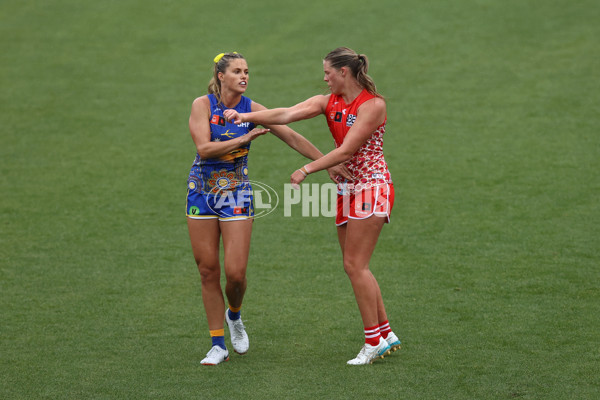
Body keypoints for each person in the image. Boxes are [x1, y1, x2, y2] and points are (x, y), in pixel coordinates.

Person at [224, 47, 401, 365]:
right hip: (348, 189)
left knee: (355, 266)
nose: (324, 78)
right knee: (355, 266)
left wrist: (308, 168)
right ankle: (385, 333)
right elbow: (286, 114)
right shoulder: (327, 102)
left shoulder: (373, 106)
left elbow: (347, 150)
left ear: (343, 73)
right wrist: (245, 116)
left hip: (372, 187)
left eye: (328, 73)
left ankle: (372, 341)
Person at [187, 52, 349, 365]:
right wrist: (245, 138)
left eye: (246, 71)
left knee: (235, 274)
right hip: (201, 194)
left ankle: (234, 314)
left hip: (236, 195)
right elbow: (204, 149)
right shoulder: (202, 105)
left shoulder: (254, 109)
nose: (244, 76)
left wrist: (325, 164)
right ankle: (218, 344)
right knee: (208, 270)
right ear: (221, 76)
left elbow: (290, 135)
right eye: (236, 71)